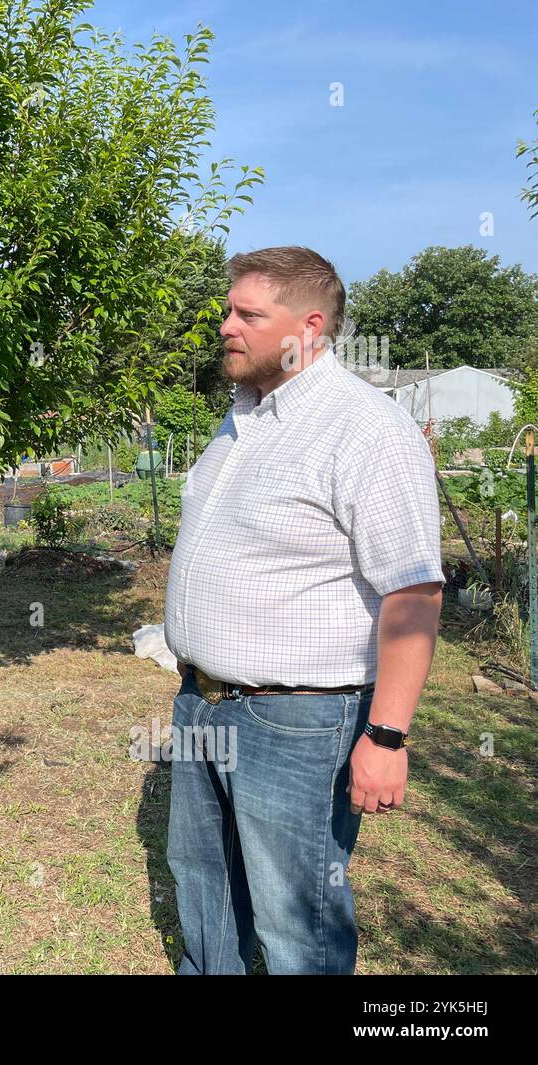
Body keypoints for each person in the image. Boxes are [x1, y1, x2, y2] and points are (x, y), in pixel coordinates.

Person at [163, 246, 444, 974]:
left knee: (298, 928)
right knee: (204, 888)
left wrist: (385, 735)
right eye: (228, 309)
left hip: (298, 723)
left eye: (247, 314)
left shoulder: (366, 431)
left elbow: (412, 593)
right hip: (202, 702)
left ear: (309, 326)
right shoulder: (239, 423)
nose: (226, 325)